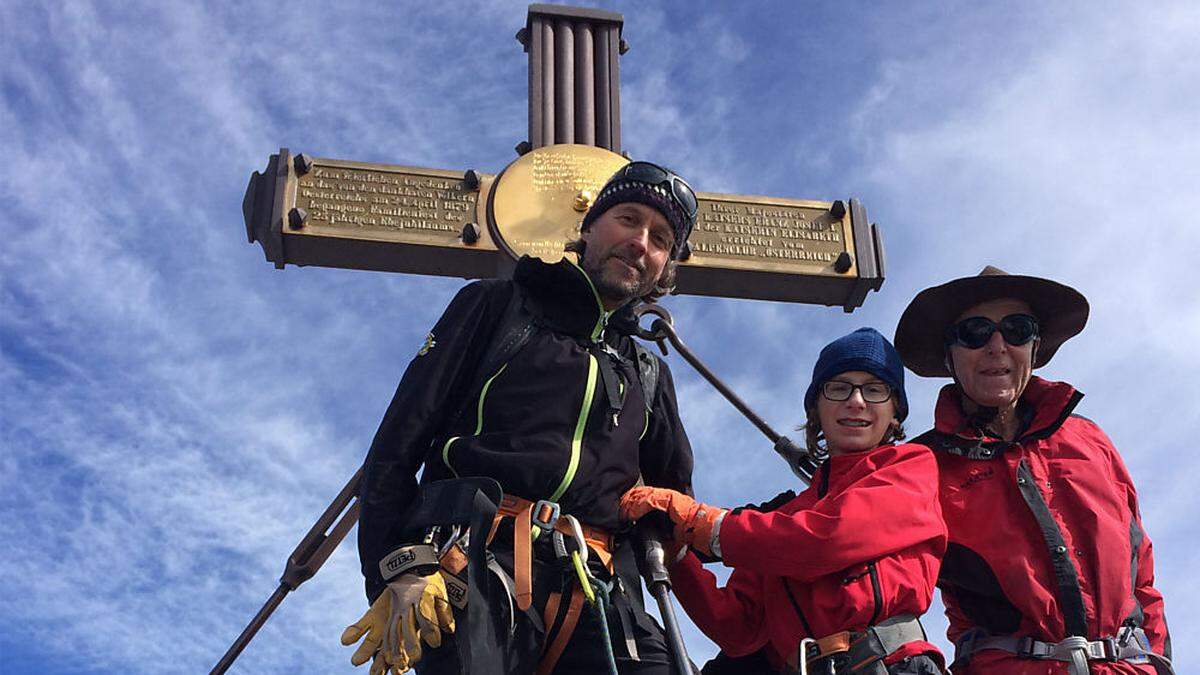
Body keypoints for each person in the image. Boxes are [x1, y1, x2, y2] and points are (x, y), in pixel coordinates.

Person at [339, 160, 700, 675]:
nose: (641, 242)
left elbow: (675, 508)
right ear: (588, 226)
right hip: (471, 566)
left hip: (598, 594)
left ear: (665, 267)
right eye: (628, 218)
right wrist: (398, 566)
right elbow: (398, 443)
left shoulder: (646, 371)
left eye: (660, 237)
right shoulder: (498, 307)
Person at [894, 266, 1173, 675]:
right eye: (975, 332)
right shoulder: (921, 466)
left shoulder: (1090, 440)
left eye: (1017, 329)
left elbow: (1142, 576)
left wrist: (1160, 662)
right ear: (950, 353)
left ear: (1034, 345)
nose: (997, 346)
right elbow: (874, 576)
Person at [621, 328, 948, 674]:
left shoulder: (910, 468)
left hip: (892, 666)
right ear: (816, 409)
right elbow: (739, 630)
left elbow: (827, 539)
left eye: (874, 389)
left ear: (895, 411)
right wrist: (678, 556)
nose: (856, 401)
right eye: (838, 388)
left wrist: (701, 522)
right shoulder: (779, 526)